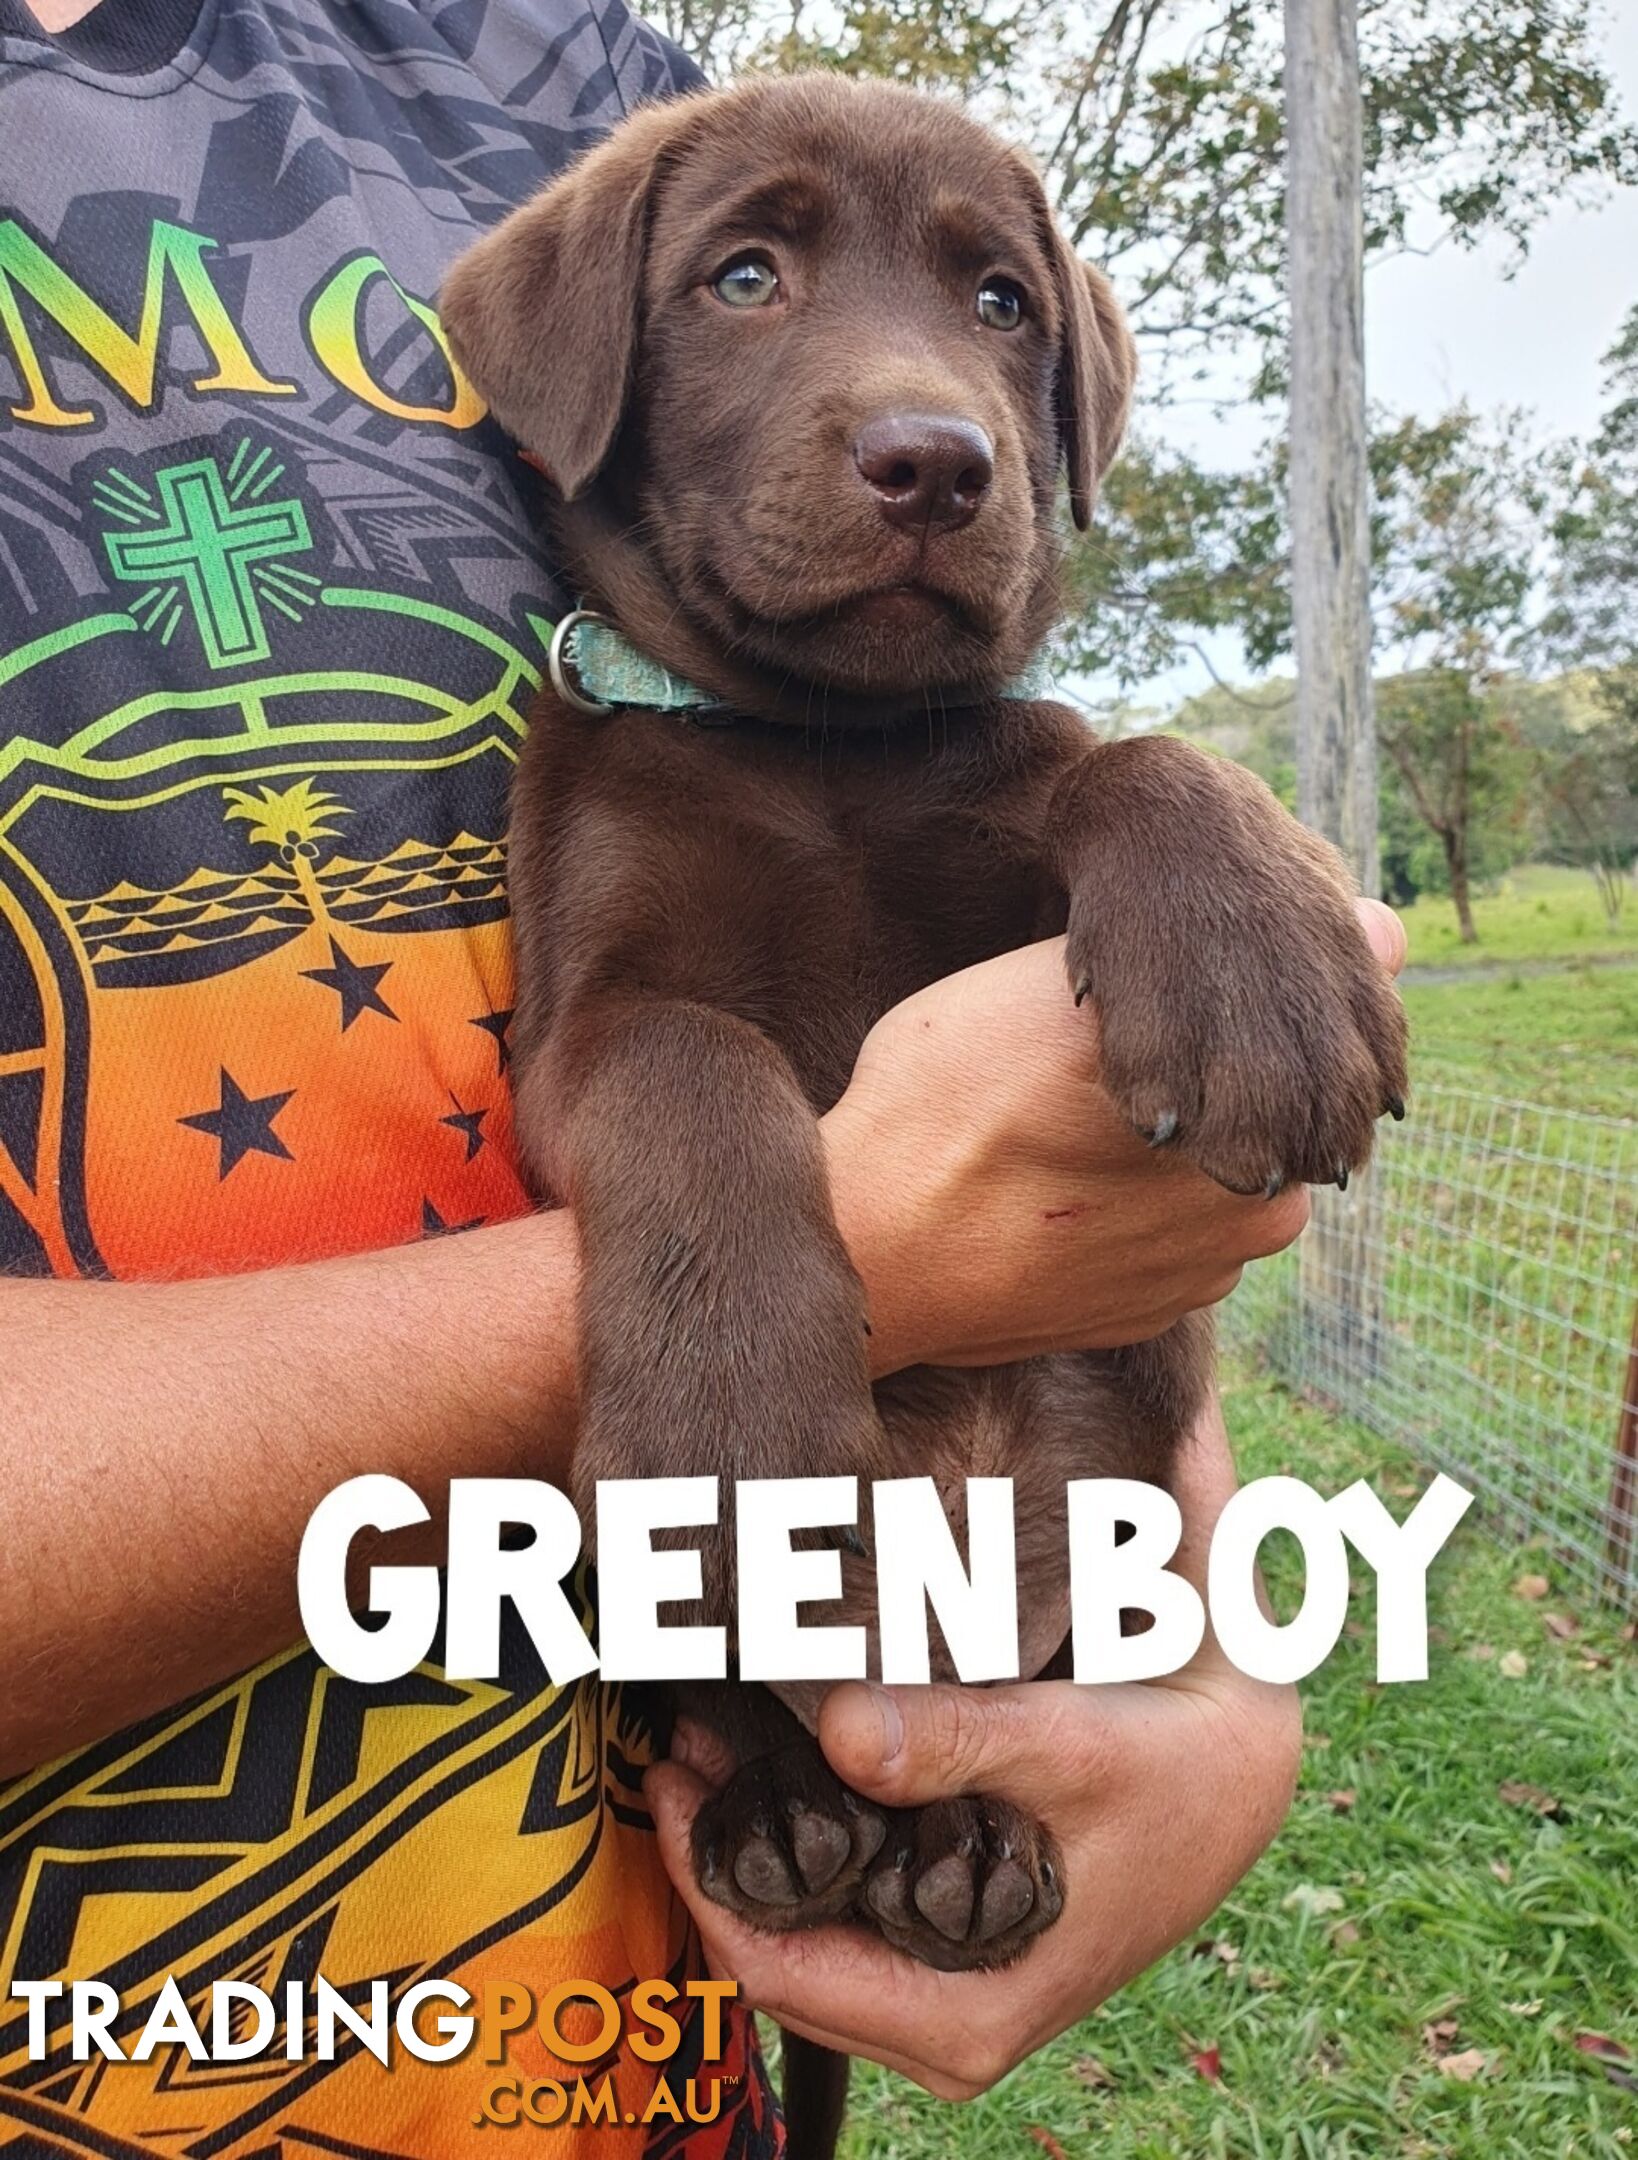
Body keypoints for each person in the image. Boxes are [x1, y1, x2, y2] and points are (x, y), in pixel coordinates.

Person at [0, 0, 1406, 2150]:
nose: (924, 404)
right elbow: (628, 1050)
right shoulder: (623, 759)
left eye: (996, 305)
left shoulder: (550, 69)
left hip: (648, 2040)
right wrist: (819, 1228)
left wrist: (1209, 1697)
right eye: (751, 275)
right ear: (597, 376)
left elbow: (1100, 1223)